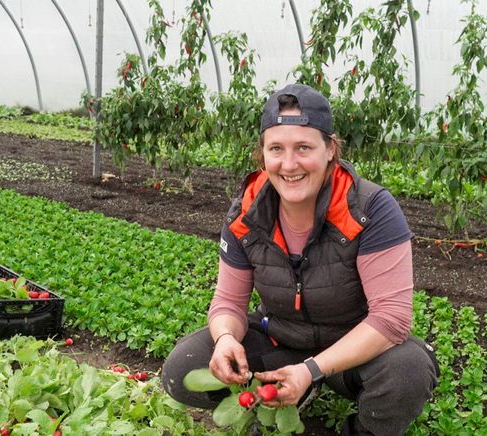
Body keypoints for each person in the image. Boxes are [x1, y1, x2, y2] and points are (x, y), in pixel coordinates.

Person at [161, 84, 439, 435]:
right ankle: (287, 404)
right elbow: (229, 301)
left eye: (304, 147)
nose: (289, 164)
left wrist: (312, 369)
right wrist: (227, 339)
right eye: (276, 148)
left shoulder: (370, 209)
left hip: (353, 349)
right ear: (262, 154)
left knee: (407, 372)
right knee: (181, 370)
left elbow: (392, 318)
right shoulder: (246, 213)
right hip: (281, 339)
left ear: (330, 150)